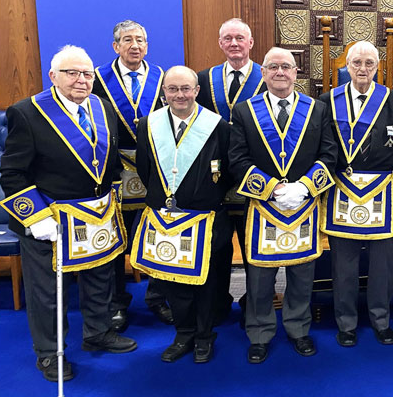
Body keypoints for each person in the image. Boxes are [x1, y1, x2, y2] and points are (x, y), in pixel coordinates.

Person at [0, 45, 135, 382]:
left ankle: (98, 332)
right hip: (51, 221)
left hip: (97, 216)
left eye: (87, 73)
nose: (81, 80)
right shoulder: (27, 113)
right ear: (53, 76)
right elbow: (12, 174)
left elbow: (108, 161)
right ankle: (49, 353)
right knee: (48, 293)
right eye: (72, 73)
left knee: (100, 279)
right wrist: (36, 218)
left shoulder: (103, 107)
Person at [228, 47, 336, 364]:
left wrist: (304, 187)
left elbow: (329, 155)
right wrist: (273, 189)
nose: (279, 72)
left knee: (302, 275)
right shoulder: (246, 111)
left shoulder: (316, 109)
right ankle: (260, 332)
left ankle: (298, 329)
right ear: (263, 72)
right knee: (260, 279)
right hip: (264, 207)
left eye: (286, 66)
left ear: (295, 72)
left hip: (303, 205)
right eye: (273, 66)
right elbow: (237, 159)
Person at [126, 66, 230, 363]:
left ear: (197, 91)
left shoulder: (217, 125)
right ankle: (184, 333)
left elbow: (228, 173)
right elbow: (145, 170)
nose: (180, 95)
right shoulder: (148, 124)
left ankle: (204, 336)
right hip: (166, 221)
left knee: (207, 284)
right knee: (174, 283)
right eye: (173, 89)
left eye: (186, 89)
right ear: (164, 93)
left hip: (205, 219)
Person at [316, 41, 393, 347]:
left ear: (378, 67)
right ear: (346, 65)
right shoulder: (327, 100)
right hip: (342, 191)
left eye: (369, 63)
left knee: (382, 263)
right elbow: (322, 149)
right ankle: (346, 322)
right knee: (343, 262)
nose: (362, 69)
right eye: (356, 63)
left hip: (382, 194)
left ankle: (380, 319)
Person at [89, 20, 170, 330]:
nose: (135, 45)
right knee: (114, 242)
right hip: (114, 171)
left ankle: (158, 298)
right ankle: (116, 304)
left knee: (159, 233)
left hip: (154, 171)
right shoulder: (97, 79)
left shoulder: (162, 77)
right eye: (127, 40)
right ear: (116, 46)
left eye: (140, 40)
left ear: (146, 46)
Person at [196, 18, 266, 325]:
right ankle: (218, 303)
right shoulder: (203, 80)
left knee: (253, 245)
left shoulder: (269, 77)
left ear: (251, 43)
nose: (234, 43)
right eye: (228, 38)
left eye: (240, 38)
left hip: (254, 174)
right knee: (219, 246)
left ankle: (255, 301)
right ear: (220, 43)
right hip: (215, 178)